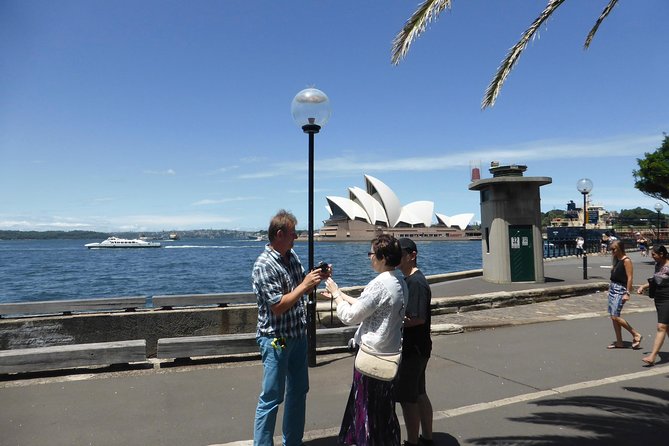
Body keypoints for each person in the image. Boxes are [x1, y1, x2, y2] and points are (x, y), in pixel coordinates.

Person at [251, 210, 328, 446]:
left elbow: (300, 286)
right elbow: (277, 306)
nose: (297, 238)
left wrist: (315, 278)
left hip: (297, 335)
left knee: (298, 391)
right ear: (280, 234)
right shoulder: (264, 265)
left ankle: (293, 441)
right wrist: (305, 285)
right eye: (293, 234)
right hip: (277, 338)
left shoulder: (291, 255)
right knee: (272, 396)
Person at [323, 234, 407, 446]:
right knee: (384, 411)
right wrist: (341, 295)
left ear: (382, 257)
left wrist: (335, 294)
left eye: (371, 253)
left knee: (366, 410)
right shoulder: (400, 281)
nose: (369, 257)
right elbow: (368, 307)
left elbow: (350, 317)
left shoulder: (378, 285)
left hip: (371, 358)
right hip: (391, 356)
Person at [396, 238, 434, 446]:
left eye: (400, 254)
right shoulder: (408, 280)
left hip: (414, 349)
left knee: (407, 398)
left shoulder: (416, 283)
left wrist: (394, 320)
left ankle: (412, 441)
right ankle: (427, 437)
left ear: (412, 255)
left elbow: (418, 318)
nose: (397, 258)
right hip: (420, 347)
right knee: (419, 393)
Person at [606, 240, 643, 350]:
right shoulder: (616, 260)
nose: (612, 251)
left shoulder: (626, 260)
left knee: (615, 316)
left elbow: (630, 277)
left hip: (620, 289)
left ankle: (636, 334)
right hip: (613, 288)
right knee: (613, 317)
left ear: (620, 248)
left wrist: (627, 293)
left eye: (614, 249)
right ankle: (619, 342)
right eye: (611, 249)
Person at [636, 245, 669, 366]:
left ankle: (653, 356)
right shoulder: (658, 265)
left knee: (661, 326)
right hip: (659, 297)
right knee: (667, 327)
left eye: (654, 254)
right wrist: (643, 286)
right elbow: (655, 279)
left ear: (661, 254)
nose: (652, 256)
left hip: (667, 297)